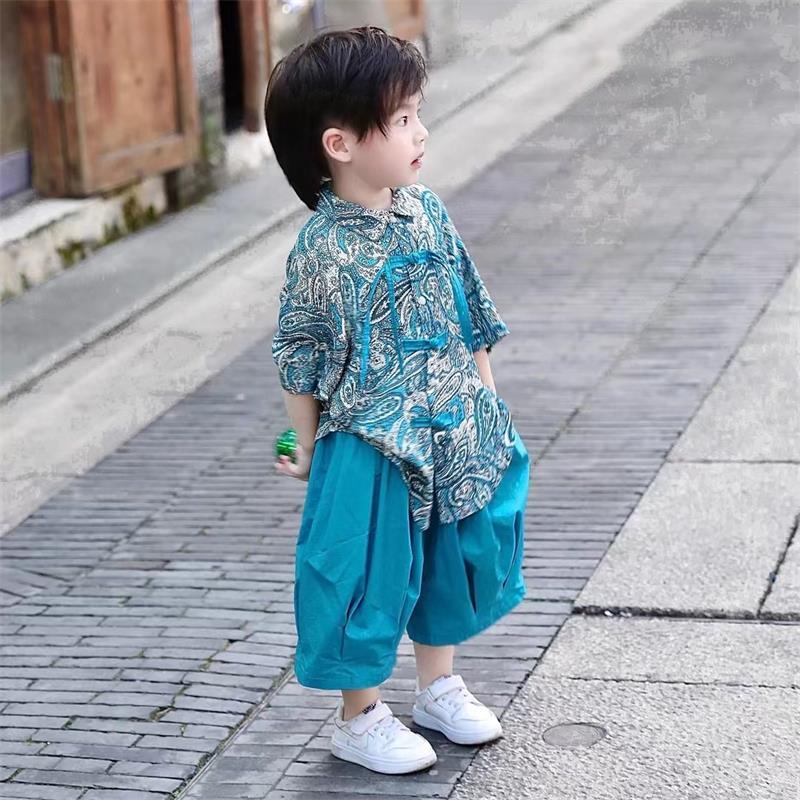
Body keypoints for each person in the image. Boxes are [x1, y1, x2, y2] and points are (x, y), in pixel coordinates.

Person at [265, 25, 531, 776]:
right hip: (371, 440)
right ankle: (360, 717)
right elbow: (299, 357)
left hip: (451, 425)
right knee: (365, 571)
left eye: (418, 113)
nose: (421, 132)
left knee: (450, 554)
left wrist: (486, 401)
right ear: (341, 144)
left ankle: (438, 686)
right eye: (403, 118)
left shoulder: (427, 211)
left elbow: (469, 308)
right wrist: (303, 446)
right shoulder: (321, 249)